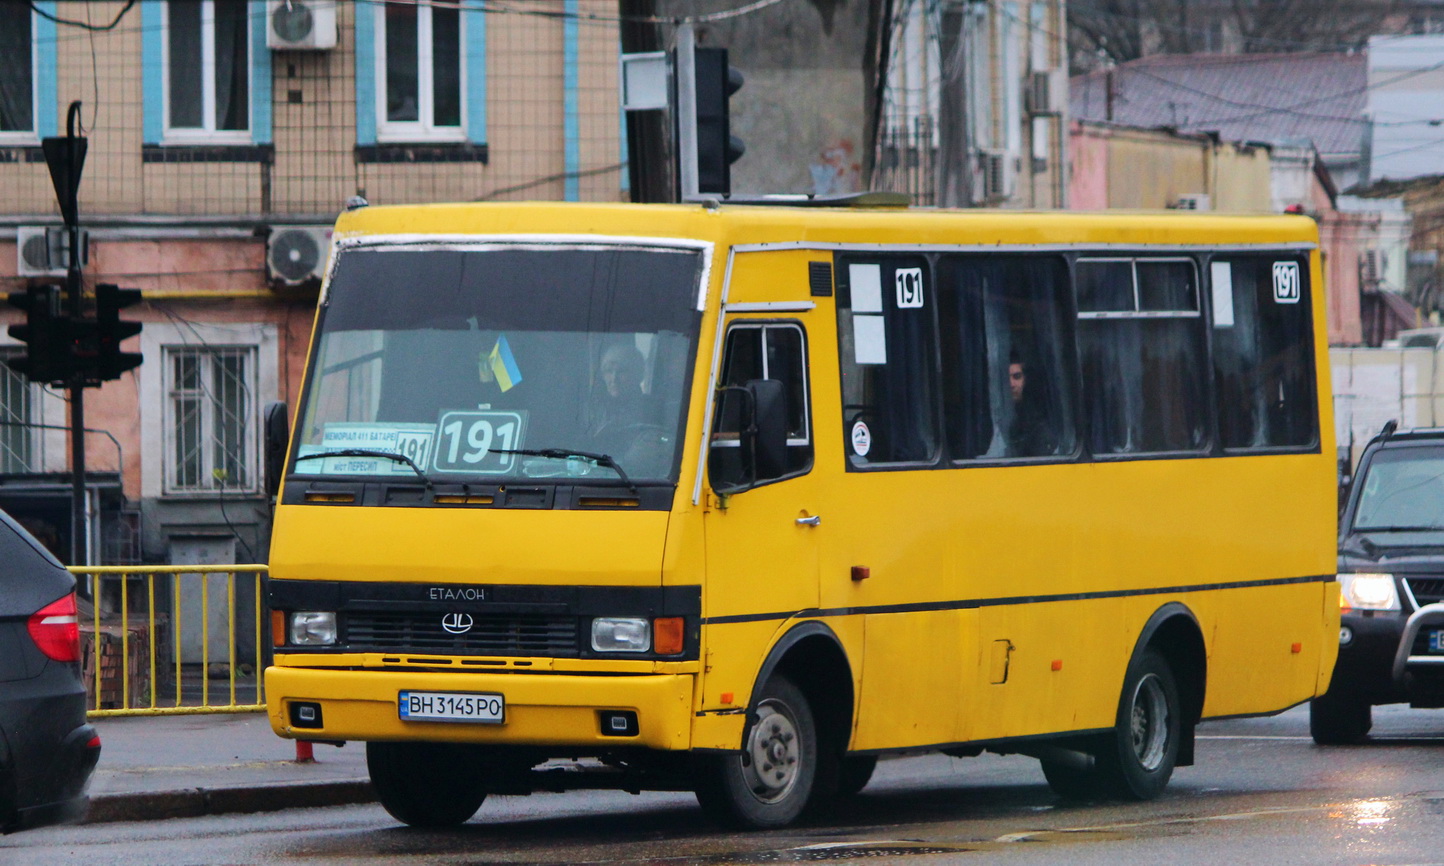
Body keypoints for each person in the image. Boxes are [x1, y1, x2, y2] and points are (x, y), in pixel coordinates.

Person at [587, 343, 648, 453]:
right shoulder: (592, 409)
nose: (614, 379)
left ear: (638, 374)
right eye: (608, 371)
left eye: (622, 371)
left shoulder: (653, 409)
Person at [1005, 356, 1056, 457]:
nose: (1011, 384)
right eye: (1007, 378)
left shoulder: (1038, 421)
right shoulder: (1003, 418)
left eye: (1017, 377)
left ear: (1026, 380)